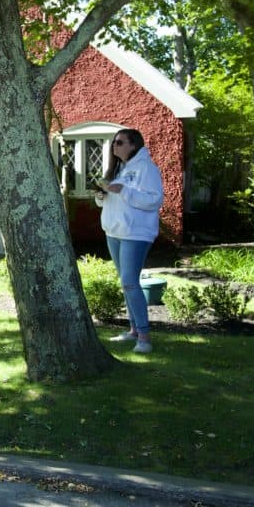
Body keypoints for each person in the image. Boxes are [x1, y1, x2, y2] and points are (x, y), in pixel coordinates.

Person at [95, 129, 164, 354]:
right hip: (114, 232)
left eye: (120, 142)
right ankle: (133, 330)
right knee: (126, 283)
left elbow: (154, 200)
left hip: (136, 233)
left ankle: (144, 338)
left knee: (130, 282)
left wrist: (123, 190)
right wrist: (101, 195)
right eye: (114, 143)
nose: (115, 146)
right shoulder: (119, 169)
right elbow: (111, 199)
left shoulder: (147, 168)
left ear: (133, 145)